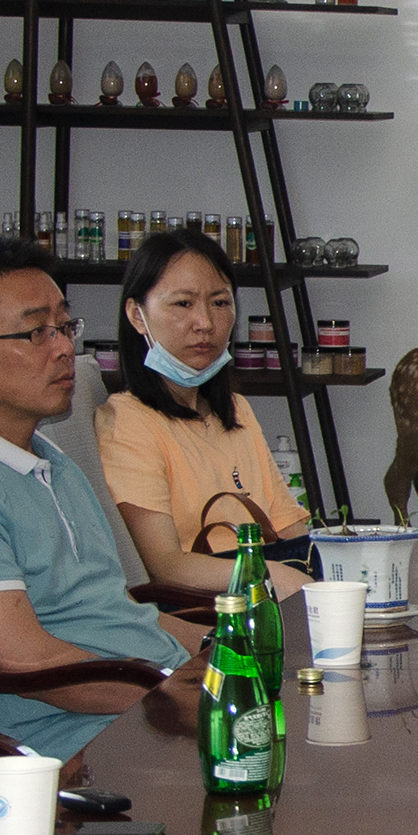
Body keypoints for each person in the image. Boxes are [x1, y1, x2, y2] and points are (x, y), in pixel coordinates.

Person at [0, 236, 189, 759]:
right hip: (89, 745)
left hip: (154, 706)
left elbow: (118, 611)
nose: (64, 348)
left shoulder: (52, 461)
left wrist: (227, 653)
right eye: (35, 332)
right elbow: (25, 663)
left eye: (65, 327)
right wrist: (183, 696)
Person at [94, 226, 312, 598]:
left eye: (220, 302)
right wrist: (272, 575)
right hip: (209, 611)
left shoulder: (237, 409)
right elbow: (165, 566)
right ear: (137, 315)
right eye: (183, 304)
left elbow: (290, 531)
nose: (205, 323)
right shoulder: (128, 422)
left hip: (268, 597)